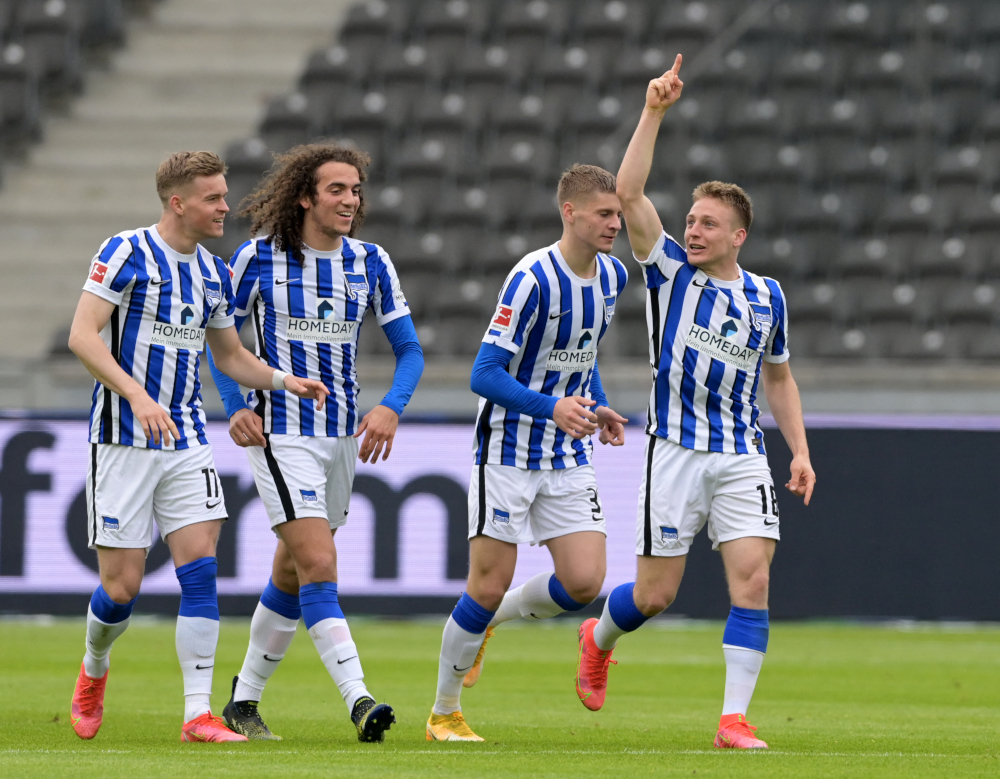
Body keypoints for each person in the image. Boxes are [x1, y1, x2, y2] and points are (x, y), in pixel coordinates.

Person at [574, 55, 817, 750]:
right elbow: (626, 189)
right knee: (655, 596)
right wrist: (653, 110)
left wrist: (798, 449)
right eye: (691, 219)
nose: (696, 229)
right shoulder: (670, 270)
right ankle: (600, 634)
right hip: (674, 450)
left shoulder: (767, 296)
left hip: (741, 452)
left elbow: (779, 377)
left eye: (709, 223)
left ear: (739, 235)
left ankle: (732, 719)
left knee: (753, 576)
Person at [67, 151, 329, 743]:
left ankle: (197, 715)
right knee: (121, 589)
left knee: (201, 574)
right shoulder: (125, 252)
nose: (225, 206)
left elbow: (231, 355)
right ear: (177, 202)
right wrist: (136, 395)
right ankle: (94, 666)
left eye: (224, 194)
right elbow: (82, 336)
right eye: (213, 198)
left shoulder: (213, 272)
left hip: (186, 437)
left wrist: (284, 380)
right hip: (122, 438)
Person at [207, 143, 423, 743]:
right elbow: (223, 342)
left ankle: (242, 704)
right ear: (306, 195)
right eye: (337, 190)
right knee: (321, 565)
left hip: (341, 439)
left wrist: (389, 406)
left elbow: (410, 351)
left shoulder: (371, 262)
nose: (350, 200)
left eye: (356, 190)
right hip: (281, 433)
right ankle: (361, 701)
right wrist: (235, 407)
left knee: (292, 570)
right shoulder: (257, 259)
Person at [426, 164, 630, 742]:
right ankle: (444, 712)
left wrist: (599, 406)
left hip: (565, 453)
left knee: (586, 582)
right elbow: (483, 373)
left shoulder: (612, 277)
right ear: (570, 212)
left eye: (618, 214)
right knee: (486, 583)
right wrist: (551, 408)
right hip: (509, 452)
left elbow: (582, 361)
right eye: (604, 214)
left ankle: (489, 624)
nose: (615, 224)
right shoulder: (532, 279)